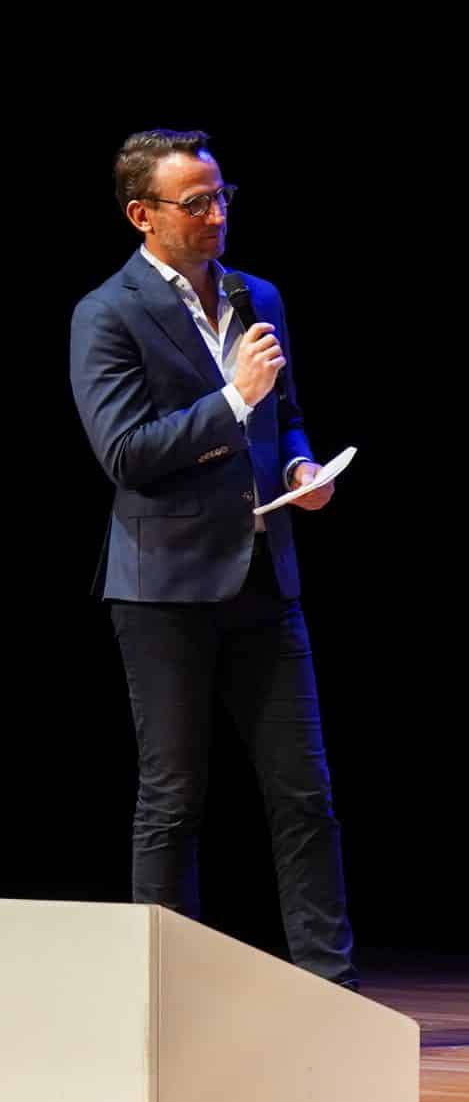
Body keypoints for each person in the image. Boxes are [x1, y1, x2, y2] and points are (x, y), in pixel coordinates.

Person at [69, 129, 357, 986]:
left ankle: (330, 993)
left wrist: (303, 467)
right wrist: (235, 395)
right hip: (164, 590)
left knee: (305, 795)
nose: (217, 214)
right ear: (142, 215)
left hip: (267, 577)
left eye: (222, 195)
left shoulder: (252, 291)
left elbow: (287, 412)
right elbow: (125, 453)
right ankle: (164, 999)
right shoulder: (107, 313)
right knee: (173, 798)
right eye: (195, 203)